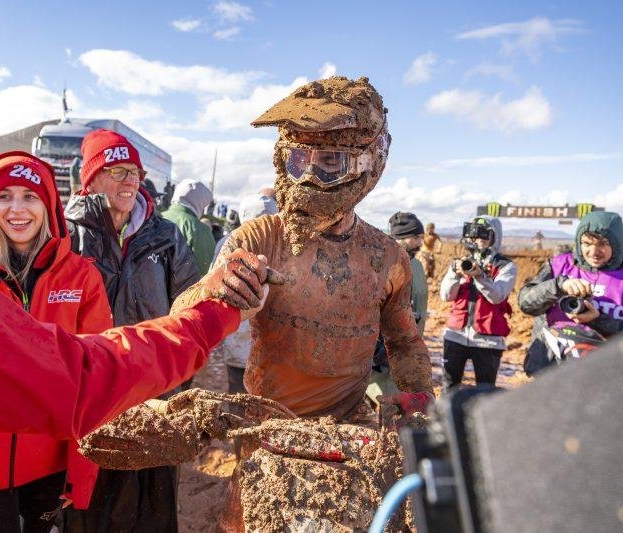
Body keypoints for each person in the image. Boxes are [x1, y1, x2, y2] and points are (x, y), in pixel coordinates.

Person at [0, 6, 267, 530]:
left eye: (135, 173)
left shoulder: (140, 244)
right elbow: (74, 377)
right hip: (28, 446)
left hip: (106, 417)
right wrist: (211, 315)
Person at [172, 76, 433, 530]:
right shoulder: (262, 237)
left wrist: (417, 397)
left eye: (330, 162)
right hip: (268, 423)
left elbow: (405, 342)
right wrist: (215, 288)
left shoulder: (385, 257)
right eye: (299, 160)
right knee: (249, 520)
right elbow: (184, 316)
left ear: (367, 163)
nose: (311, 175)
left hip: (349, 425)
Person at [0, 151, 114, 531]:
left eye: (30, 196)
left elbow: (97, 378)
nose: (17, 209)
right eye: (5, 196)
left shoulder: (81, 279)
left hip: (52, 462)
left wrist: (82, 466)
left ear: (49, 205)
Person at [63, 130, 200, 532]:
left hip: (154, 398)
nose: (130, 181)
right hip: (89, 402)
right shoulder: (66, 235)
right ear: (91, 179)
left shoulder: (166, 236)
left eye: (135, 173)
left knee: (153, 512)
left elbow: (189, 308)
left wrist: (181, 388)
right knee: (89, 512)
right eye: (117, 171)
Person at [518, 211, 623, 375]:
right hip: (549, 369)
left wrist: (599, 320)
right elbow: (525, 303)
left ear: (618, 243)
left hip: (605, 376)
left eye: (603, 244)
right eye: (586, 243)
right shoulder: (559, 266)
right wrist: (559, 286)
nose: (593, 251)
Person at [439, 216, 517, 390]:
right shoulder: (462, 262)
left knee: (485, 391)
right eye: (475, 236)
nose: (479, 241)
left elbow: (497, 296)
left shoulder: (506, 266)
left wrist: (480, 276)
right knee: (449, 388)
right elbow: (446, 296)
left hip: (487, 340)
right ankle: (445, 418)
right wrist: (454, 272)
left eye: (484, 236)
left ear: (494, 237)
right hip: (456, 336)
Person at [213, 193, 279, 394]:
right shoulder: (284, 248)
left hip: (237, 336)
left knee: (238, 395)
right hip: (272, 343)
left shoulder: (227, 243)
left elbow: (212, 286)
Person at [367, 212, 429, 404]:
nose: (420, 243)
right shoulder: (379, 265)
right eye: (416, 237)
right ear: (400, 238)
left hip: (406, 349)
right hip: (379, 353)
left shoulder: (417, 266)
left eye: (421, 237)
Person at [162, 178, 216, 274]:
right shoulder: (199, 229)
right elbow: (208, 271)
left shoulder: (157, 216)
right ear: (199, 203)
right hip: (183, 287)